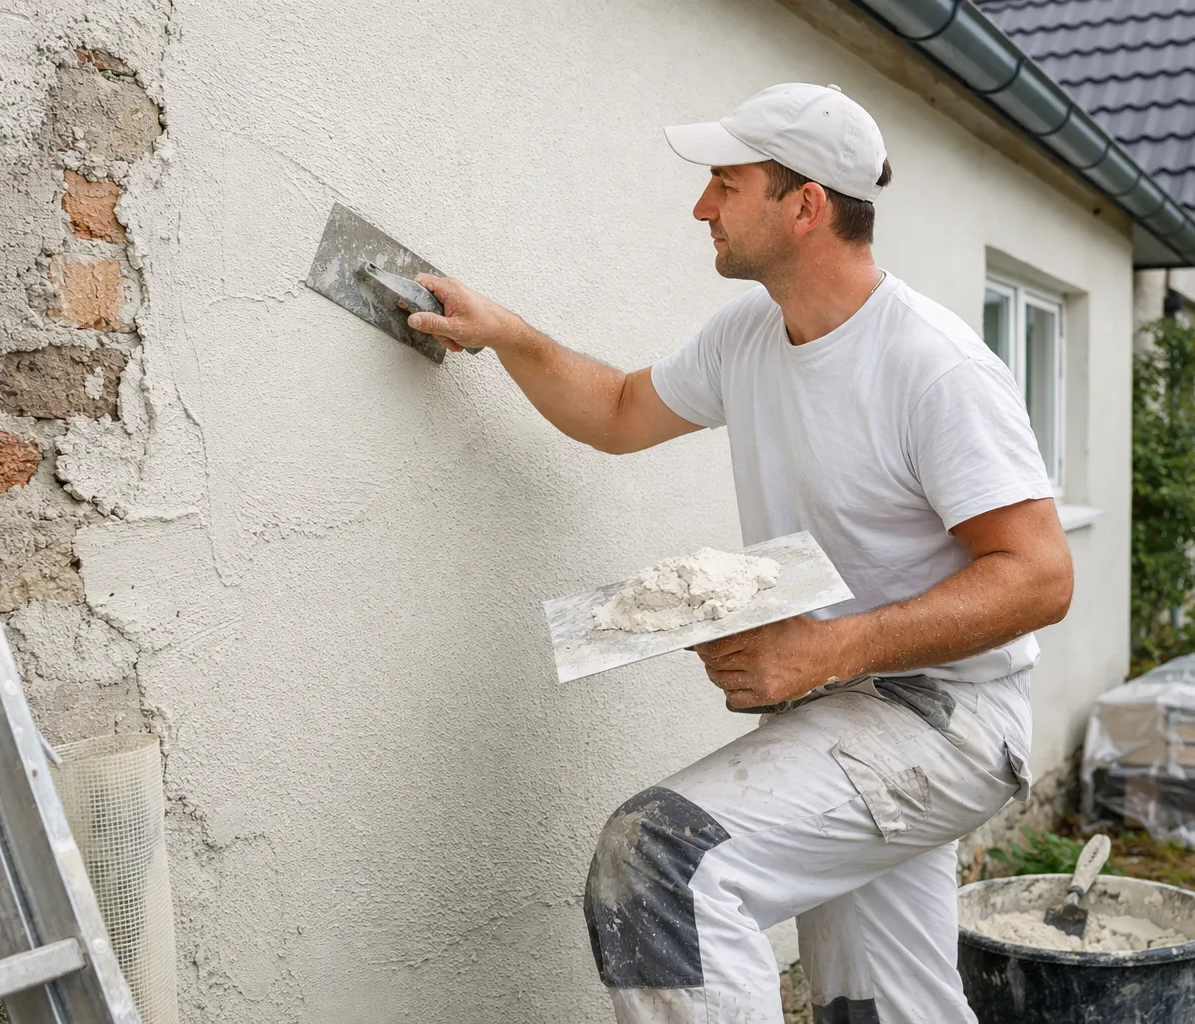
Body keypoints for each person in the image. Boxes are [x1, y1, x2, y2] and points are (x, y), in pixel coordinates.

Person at [404, 83, 1073, 1024]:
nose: (700, 206)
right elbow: (619, 411)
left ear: (804, 207)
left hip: (948, 720)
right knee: (873, 1008)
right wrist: (506, 332)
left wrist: (829, 650)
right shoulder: (748, 337)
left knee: (661, 861)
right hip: (848, 713)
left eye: (725, 182)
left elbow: (1041, 576)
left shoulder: (933, 366)